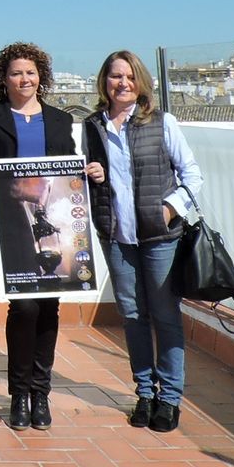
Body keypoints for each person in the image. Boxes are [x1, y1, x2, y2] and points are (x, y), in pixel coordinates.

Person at [83, 50, 203, 433]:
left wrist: (171, 208)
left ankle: (169, 399)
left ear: (140, 82)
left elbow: (192, 174)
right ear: (104, 81)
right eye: (115, 76)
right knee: (133, 317)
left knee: (165, 316)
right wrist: (93, 174)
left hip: (159, 236)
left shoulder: (161, 122)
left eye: (129, 77)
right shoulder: (93, 125)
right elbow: (87, 178)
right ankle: (145, 393)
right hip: (117, 236)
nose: (122, 83)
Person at [0, 42, 78, 431]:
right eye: (16, 72)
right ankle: (19, 393)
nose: (24, 79)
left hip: (53, 225)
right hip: (9, 223)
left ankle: (41, 393)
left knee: (48, 307)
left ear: (41, 77)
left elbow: (69, 174)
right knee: (25, 307)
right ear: (4, 78)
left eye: (30, 72)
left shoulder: (61, 120)